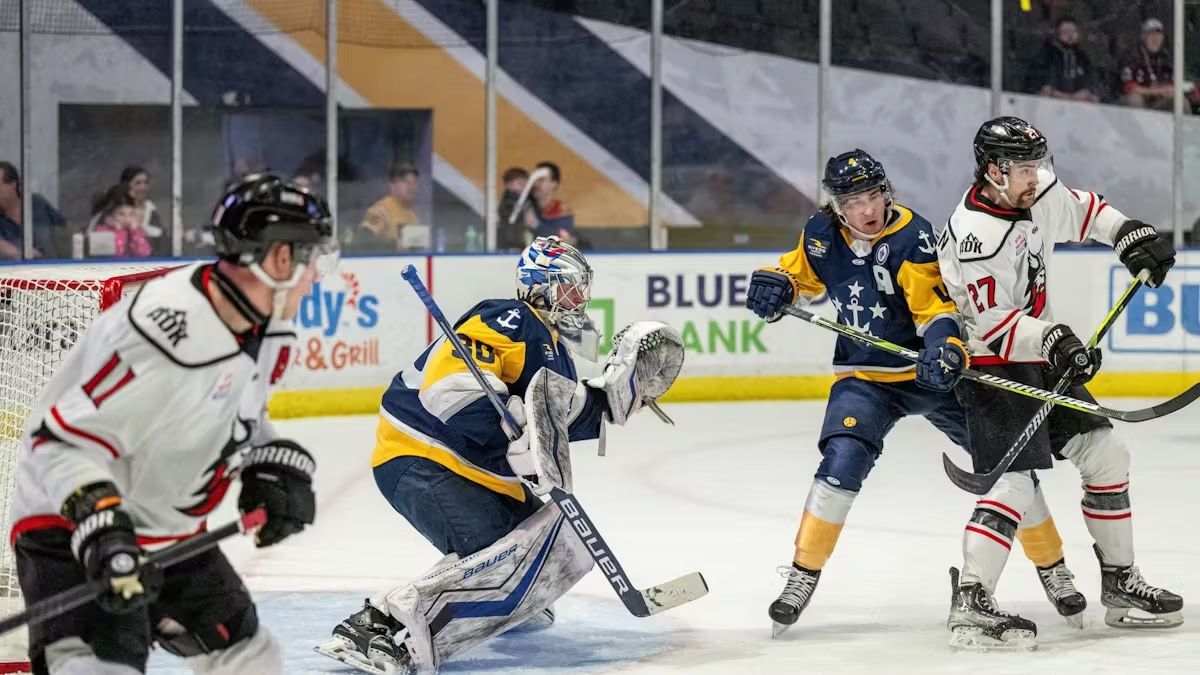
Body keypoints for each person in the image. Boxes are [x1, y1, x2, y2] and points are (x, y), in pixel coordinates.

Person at [745, 149, 1085, 638]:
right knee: (840, 463)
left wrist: (944, 347)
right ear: (835, 206)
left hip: (932, 375)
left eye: (873, 195)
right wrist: (778, 284)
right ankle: (802, 575)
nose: (867, 209)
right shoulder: (820, 234)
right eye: (854, 200)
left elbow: (934, 308)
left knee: (1011, 467)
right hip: (865, 379)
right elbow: (800, 275)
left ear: (887, 193)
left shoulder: (912, 234)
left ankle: (1053, 567)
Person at [9, 174, 338, 673]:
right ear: (278, 260)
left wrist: (268, 461)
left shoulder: (267, 323)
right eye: (311, 258)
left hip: (167, 530)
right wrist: (103, 531)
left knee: (250, 656)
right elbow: (58, 445)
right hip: (69, 526)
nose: (317, 274)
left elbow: (234, 410)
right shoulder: (161, 333)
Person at [315, 236, 685, 674]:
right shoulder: (510, 317)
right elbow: (446, 390)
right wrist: (505, 412)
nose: (579, 298)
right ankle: (376, 624)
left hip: (472, 470)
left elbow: (560, 415)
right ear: (538, 286)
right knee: (511, 556)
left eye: (581, 288)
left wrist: (619, 397)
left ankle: (499, 604)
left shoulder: (556, 351)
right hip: (422, 456)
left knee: (558, 545)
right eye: (569, 287)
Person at [937, 116, 1181, 650]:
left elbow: (1085, 210)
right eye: (1025, 167)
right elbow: (992, 326)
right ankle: (972, 601)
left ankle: (1119, 584)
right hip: (989, 367)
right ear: (993, 171)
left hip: (1039, 355)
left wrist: (1127, 233)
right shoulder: (977, 235)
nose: (1037, 175)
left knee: (1106, 452)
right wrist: (1052, 339)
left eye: (1038, 164)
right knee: (1014, 485)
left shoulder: (1031, 190)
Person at [0, 160, 68, 259]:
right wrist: (18, 253)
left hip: (54, 268)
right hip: (17, 272)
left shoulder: (37, 204)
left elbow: (65, 230)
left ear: (12, 185)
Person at [1028, 17, 1100, 102]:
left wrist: (1087, 94)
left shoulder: (1083, 58)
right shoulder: (1046, 56)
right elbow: (1039, 87)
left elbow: (1093, 88)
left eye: (1073, 32)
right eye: (1065, 32)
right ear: (1057, 34)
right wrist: (1056, 94)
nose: (1070, 35)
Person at [358, 163, 420, 251]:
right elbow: (363, 240)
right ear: (393, 186)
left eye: (414, 182)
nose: (411, 186)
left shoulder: (414, 218)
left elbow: (414, 250)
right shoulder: (381, 210)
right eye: (405, 182)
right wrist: (392, 245)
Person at [1119, 18, 1175, 110]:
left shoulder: (1165, 57)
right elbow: (1128, 87)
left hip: (1157, 101)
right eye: (1151, 35)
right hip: (1134, 100)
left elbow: (1172, 82)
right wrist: (1154, 91)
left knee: (1180, 102)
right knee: (1135, 100)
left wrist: (1169, 90)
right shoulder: (1132, 56)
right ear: (1143, 37)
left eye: (1158, 35)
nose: (1155, 39)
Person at [89, 185, 152, 258]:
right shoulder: (102, 230)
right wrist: (119, 231)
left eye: (131, 214)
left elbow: (144, 253)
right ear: (111, 216)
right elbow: (117, 253)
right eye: (121, 214)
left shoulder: (137, 231)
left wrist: (135, 231)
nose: (127, 218)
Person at [529, 161, 574, 238]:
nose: (535, 183)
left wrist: (536, 224)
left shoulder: (562, 211)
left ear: (554, 183)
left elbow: (562, 240)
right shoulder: (523, 205)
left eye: (540, 179)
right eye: (533, 179)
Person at [496, 166, 530, 251]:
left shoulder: (522, 200)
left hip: (517, 240)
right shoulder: (508, 201)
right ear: (508, 184)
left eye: (524, 184)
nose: (523, 187)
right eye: (520, 184)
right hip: (509, 242)